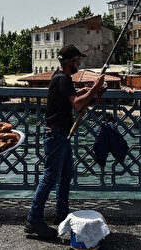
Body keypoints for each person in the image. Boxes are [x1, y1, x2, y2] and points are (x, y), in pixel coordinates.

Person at [25, 44, 107, 238]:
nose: (79, 64)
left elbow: (75, 98)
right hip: (56, 135)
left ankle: (61, 213)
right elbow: (77, 104)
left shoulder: (61, 78)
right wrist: (95, 87)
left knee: (66, 173)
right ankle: (33, 219)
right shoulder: (63, 79)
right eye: (77, 61)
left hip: (61, 135)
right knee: (49, 178)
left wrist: (92, 92)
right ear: (70, 62)